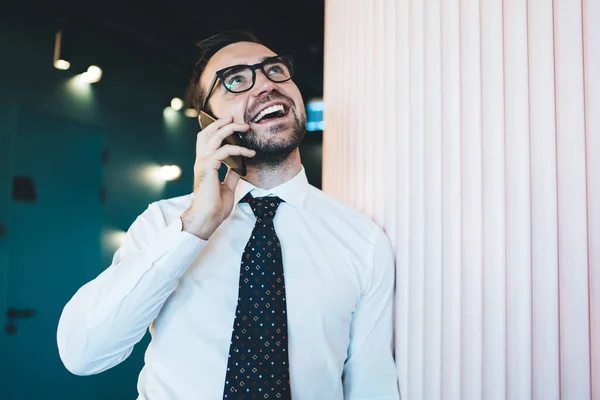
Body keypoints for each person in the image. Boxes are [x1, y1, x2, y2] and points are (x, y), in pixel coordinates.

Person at [57, 31, 399, 400]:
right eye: (235, 80)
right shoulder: (163, 222)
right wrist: (194, 229)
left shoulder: (362, 240)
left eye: (276, 70)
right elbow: (83, 354)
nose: (266, 85)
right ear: (208, 121)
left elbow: (371, 383)